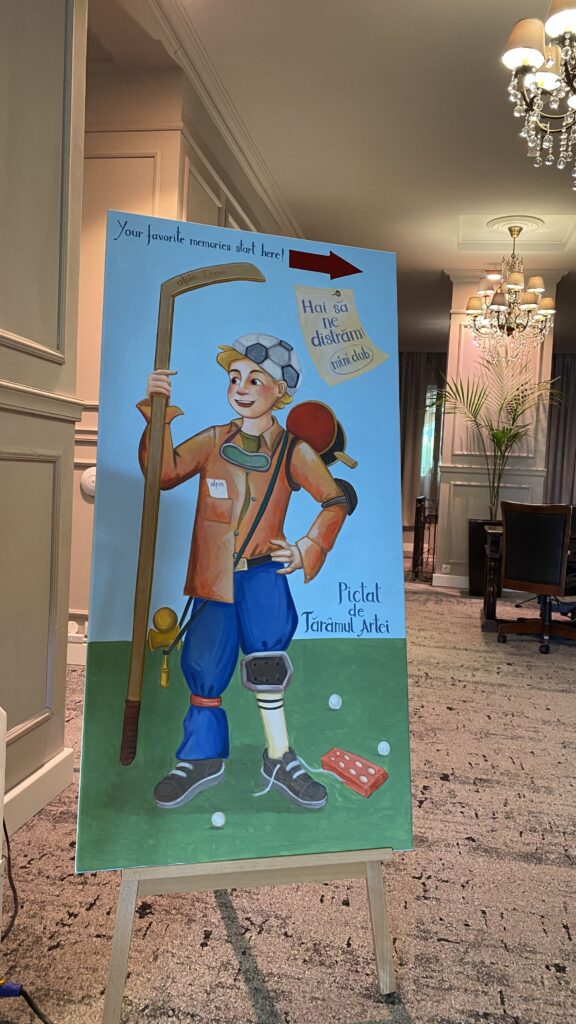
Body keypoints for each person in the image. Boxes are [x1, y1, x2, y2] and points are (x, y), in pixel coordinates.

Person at [137, 333, 352, 811]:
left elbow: (335, 500)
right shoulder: (214, 440)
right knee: (204, 666)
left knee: (268, 665)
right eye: (235, 378)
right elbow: (163, 472)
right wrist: (158, 414)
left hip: (262, 577)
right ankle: (201, 758)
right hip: (214, 578)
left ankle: (278, 757)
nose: (241, 387)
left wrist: (307, 547)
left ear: (281, 390)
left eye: (255, 379)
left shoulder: (294, 451)